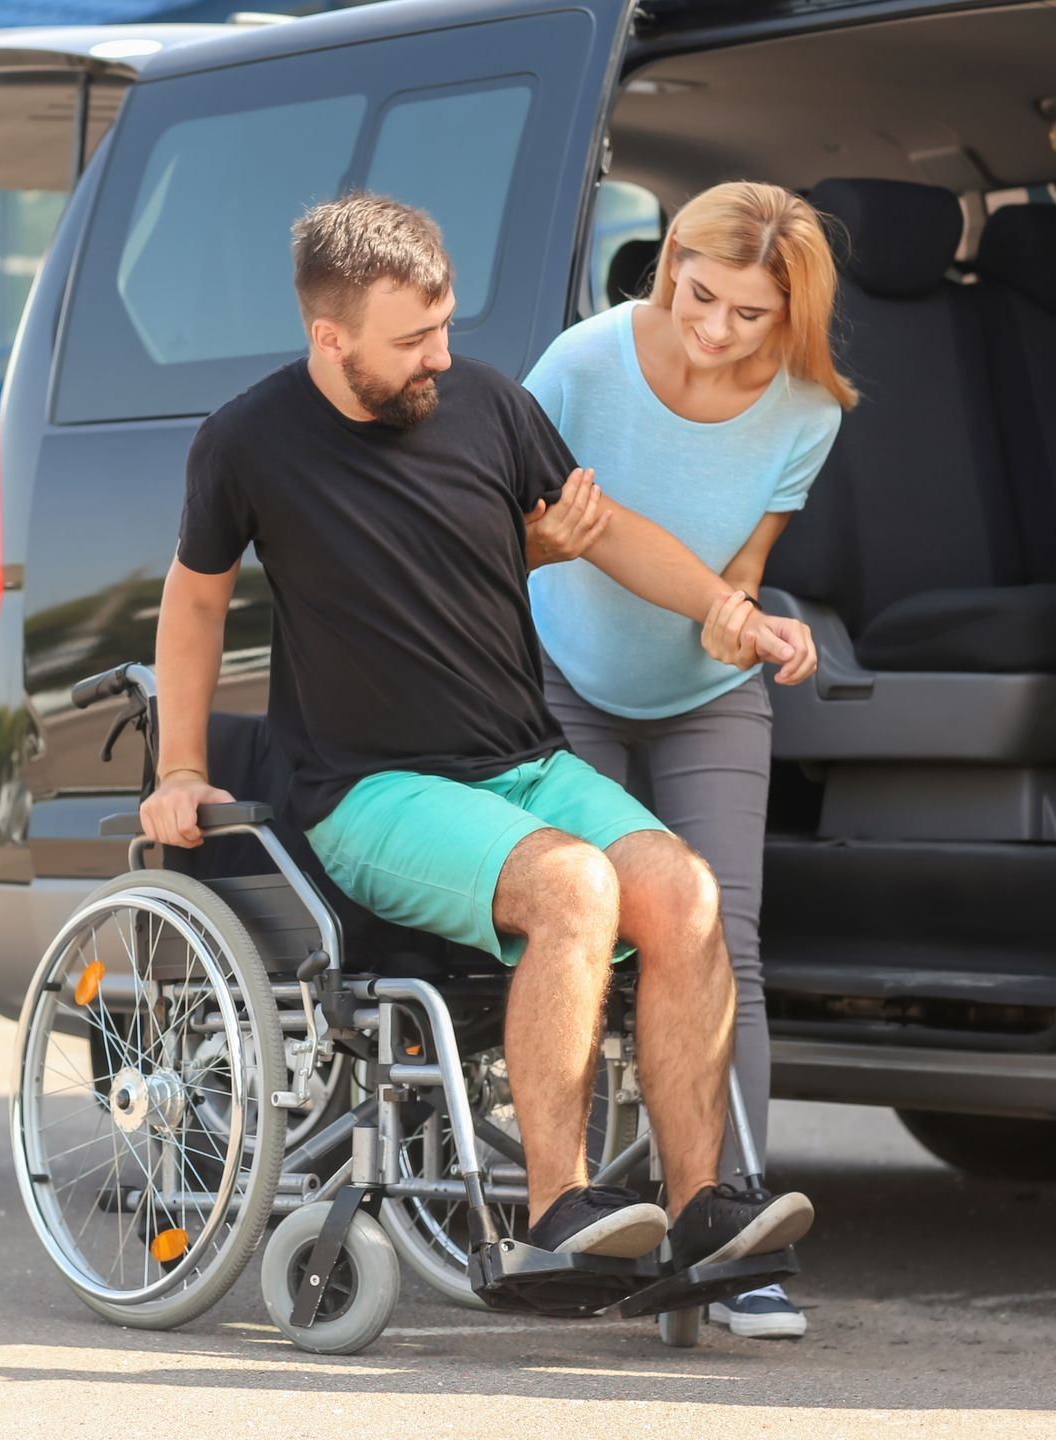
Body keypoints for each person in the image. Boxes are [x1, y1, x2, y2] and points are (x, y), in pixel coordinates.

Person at [141, 192, 819, 1273]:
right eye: (413, 339)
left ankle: (702, 1207)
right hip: (371, 793)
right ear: (330, 336)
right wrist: (180, 766)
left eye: (445, 325)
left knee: (685, 893)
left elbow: (608, 534)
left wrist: (725, 611)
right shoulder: (246, 441)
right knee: (575, 887)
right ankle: (556, 1211)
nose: (440, 357)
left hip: (524, 766)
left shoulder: (490, 405)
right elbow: (195, 602)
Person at [520, 181, 855, 1339]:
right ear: (670, 262)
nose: (713, 328)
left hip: (707, 695)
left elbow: (744, 571)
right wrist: (542, 541)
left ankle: (729, 1238)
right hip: (563, 676)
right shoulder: (582, 366)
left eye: (749, 314)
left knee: (725, 943)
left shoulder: (809, 411)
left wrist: (755, 625)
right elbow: (486, 520)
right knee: (582, 935)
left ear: (792, 312)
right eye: (698, 294)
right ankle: (565, 1210)